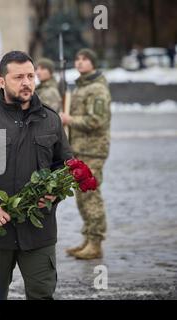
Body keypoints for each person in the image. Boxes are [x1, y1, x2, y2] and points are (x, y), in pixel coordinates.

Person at [0, 51, 72, 300]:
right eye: (18, 77)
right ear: (2, 81)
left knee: (42, 295)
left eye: (30, 75)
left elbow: (64, 166)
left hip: (39, 231)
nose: (27, 82)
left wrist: (53, 194)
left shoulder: (51, 120)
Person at [60, 48, 111, 260]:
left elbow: (97, 121)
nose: (80, 62)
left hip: (93, 150)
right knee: (82, 196)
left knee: (91, 195)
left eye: (85, 59)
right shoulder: (82, 87)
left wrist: (70, 120)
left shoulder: (97, 89)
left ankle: (96, 242)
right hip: (80, 149)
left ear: (93, 63)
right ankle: (88, 238)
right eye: (77, 59)